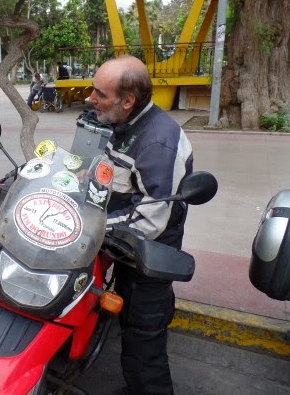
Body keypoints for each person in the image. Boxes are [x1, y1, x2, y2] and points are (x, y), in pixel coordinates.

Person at [88, 56, 193, 395]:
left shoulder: (159, 142)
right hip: (121, 249)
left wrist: (89, 227)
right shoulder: (124, 124)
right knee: (129, 327)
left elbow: (150, 219)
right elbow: (109, 176)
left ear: (128, 100)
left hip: (147, 259)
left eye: (99, 93)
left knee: (143, 340)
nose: (90, 98)